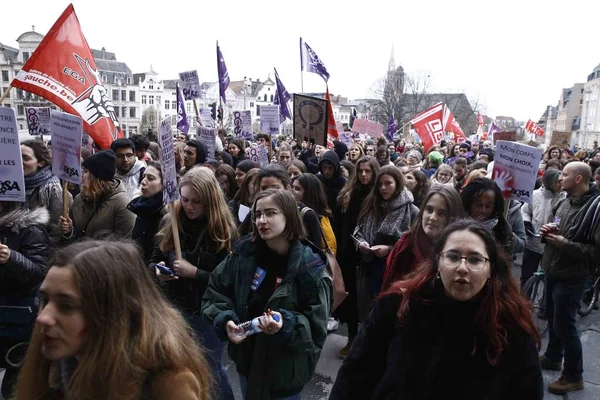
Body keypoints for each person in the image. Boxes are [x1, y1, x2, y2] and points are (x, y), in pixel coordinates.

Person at [330, 220, 543, 400]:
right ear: (438, 263)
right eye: (452, 257)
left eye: (475, 259)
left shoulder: (511, 328)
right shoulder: (398, 305)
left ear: (491, 271)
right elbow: (356, 373)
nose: (462, 267)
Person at [14, 241, 212, 400]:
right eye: (44, 300)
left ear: (112, 313)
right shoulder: (51, 370)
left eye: (67, 306)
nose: (43, 317)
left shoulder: (167, 385)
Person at [202, 190, 333, 400]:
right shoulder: (243, 255)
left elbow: (316, 331)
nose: (262, 220)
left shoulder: (310, 269)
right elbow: (214, 292)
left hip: (284, 374)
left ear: (289, 217)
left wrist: (286, 324)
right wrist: (225, 319)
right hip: (247, 362)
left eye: (271, 213)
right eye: (258, 214)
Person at [149, 166, 236, 400]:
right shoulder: (172, 221)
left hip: (206, 313)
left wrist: (195, 272)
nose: (189, 206)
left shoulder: (223, 232)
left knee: (210, 370)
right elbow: (154, 260)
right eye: (185, 199)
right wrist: (159, 271)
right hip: (174, 310)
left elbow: (228, 282)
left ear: (209, 200)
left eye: (196, 201)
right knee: (180, 370)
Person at [539, 162, 600, 394]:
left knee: (566, 326)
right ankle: (554, 357)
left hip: (573, 276)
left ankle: (574, 376)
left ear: (578, 179)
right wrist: (549, 230)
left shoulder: (596, 207)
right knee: (554, 318)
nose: (559, 178)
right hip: (553, 269)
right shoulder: (564, 200)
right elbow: (557, 225)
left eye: (565, 174)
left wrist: (565, 244)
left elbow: (596, 253)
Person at [0, 201, 50, 398]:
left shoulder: (31, 228)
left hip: (16, 318)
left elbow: (39, 271)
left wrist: (11, 258)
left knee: (14, 384)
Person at [354, 166, 417, 322]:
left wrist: (389, 249)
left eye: (388, 183)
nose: (383, 188)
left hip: (394, 272)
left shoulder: (412, 210)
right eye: (380, 184)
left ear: (398, 184)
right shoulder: (372, 204)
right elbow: (358, 229)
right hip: (368, 267)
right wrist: (361, 243)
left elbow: (413, 243)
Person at [334, 156, 380, 358]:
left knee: (368, 299)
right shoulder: (349, 193)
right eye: (360, 170)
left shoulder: (379, 196)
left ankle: (367, 341)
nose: (363, 174)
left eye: (368, 171)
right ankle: (352, 337)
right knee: (350, 297)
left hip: (368, 254)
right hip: (347, 252)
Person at [383, 185, 465, 289]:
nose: (433, 217)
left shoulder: (460, 252)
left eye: (441, 213)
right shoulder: (406, 244)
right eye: (429, 210)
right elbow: (388, 286)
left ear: (452, 217)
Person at [58, 150, 135, 241]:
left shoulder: (122, 203)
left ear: (97, 177)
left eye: (86, 171)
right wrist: (69, 231)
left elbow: (126, 245)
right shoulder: (79, 198)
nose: (81, 175)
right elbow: (75, 237)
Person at [21, 140, 72, 245]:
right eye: (17, 157)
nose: (19, 162)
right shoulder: (11, 184)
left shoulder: (52, 189)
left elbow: (57, 230)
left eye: (26, 158)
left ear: (41, 162)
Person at [519, 169, 563, 287]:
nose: (560, 184)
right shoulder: (535, 195)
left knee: (548, 278)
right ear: (549, 182)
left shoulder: (564, 197)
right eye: (557, 182)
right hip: (533, 242)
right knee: (527, 275)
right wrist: (526, 222)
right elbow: (525, 211)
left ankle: (543, 302)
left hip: (551, 244)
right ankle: (524, 300)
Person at [461, 178, 514, 257]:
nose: (483, 210)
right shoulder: (456, 223)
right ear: (469, 203)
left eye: (488, 206)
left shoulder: (502, 231)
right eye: (478, 205)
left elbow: (506, 263)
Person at [127, 161, 167, 262]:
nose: (143, 181)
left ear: (164, 184)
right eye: (144, 176)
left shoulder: (168, 216)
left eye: (150, 178)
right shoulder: (141, 208)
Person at [292, 173, 337, 254]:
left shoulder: (313, 216)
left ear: (309, 192)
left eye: (297, 189)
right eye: (292, 187)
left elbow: (323, 248)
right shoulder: (295, 210)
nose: (293, 191)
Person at [230, 168, 260, 237]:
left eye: (261, 185)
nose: (258, 188)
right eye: (255, 184)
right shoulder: (234, 205)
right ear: (247, 184)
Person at [317, 150, 348, 215]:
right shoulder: (318, 180)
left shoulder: (344, 183)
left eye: (330, 168)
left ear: (335, 167)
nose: (327, 171)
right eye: (324, 168)